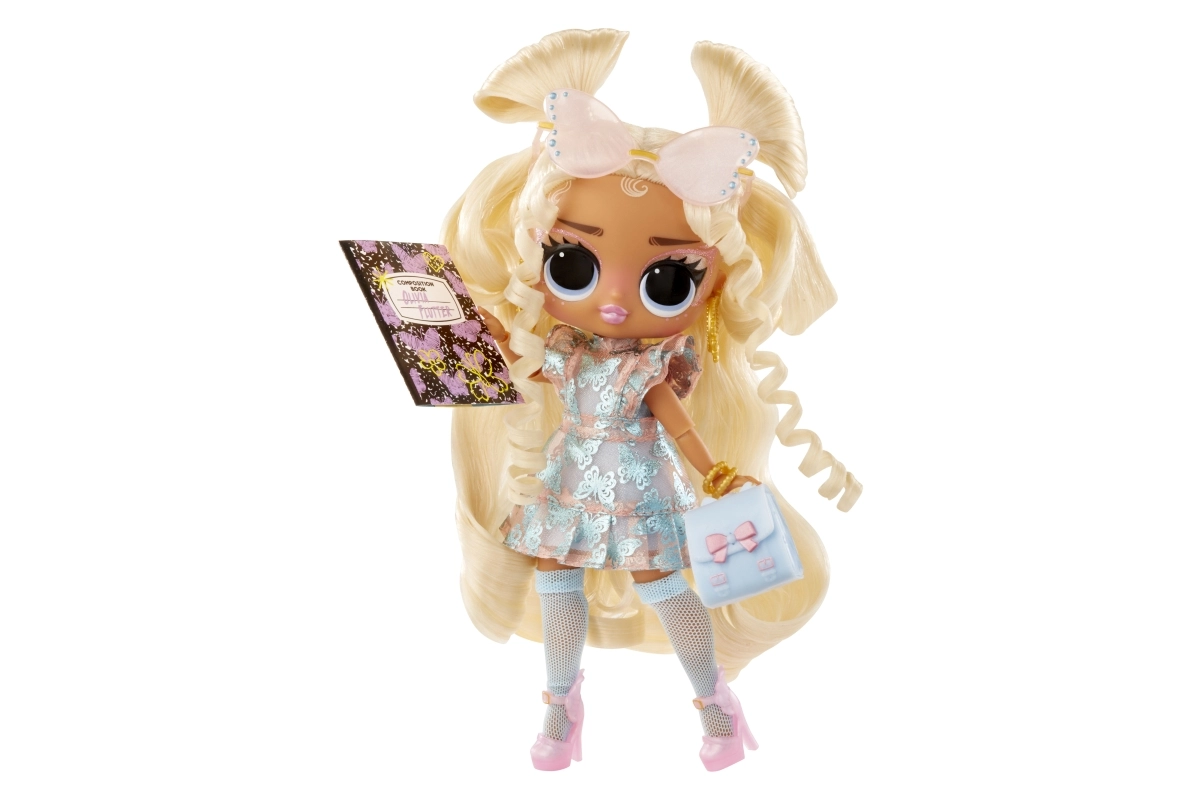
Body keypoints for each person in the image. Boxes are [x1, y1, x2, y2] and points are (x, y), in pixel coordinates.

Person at [440, 28, 860, 771]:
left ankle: (715, 703)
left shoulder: (652, 369)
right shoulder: (565, 352)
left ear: (714, 287)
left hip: (638, 486)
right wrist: (468, 330)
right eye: (572, 264)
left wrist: (713, 471)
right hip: (568, 481)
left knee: (666, 590)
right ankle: (560, 704)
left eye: (667, 281)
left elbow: (678, 423)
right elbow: (524, 364)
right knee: (557, 586)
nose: (609, 301)